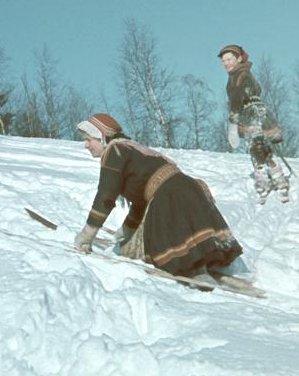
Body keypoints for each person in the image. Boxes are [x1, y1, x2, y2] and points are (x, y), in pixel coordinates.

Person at [73, 113, 243, 285]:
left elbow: (105, 195)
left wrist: (87, 234)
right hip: (185, 188)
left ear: (102, 136)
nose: (86, 145)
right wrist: (127, 230)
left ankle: (195, 273)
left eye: (89, 139)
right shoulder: (133, 149)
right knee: (190, 235)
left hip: (169, 195)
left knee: (166, 247)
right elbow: (141, 201)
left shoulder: (114, 151)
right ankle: (203, 265)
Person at [218, 44, 289, 203]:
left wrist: (233, 124)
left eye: (229, 59)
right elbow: (258, 89)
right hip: (261, 111)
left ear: (238, 58)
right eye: (223, 61)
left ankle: (263, 184)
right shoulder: (244, 73)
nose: (226, 63)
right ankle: (280, 181)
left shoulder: (239, 75)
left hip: (251, 114)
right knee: (263, 147)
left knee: (255, 147)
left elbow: (236, 98)